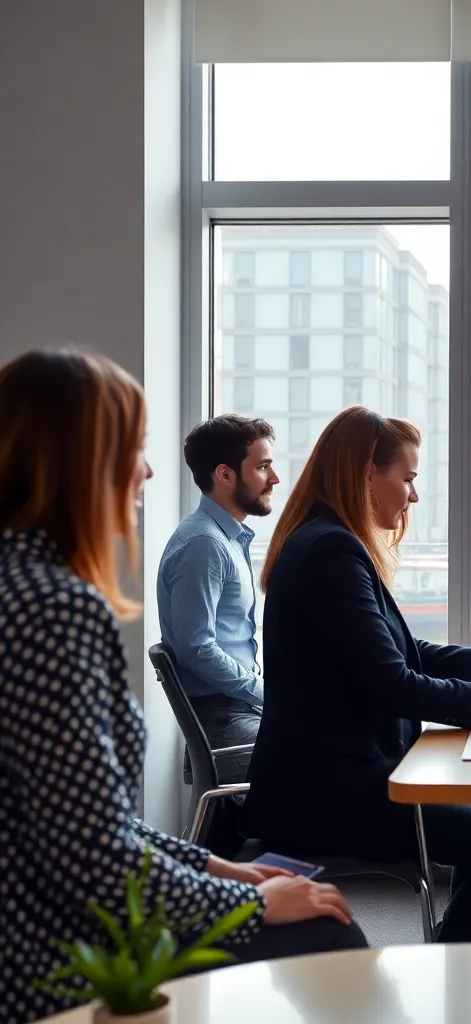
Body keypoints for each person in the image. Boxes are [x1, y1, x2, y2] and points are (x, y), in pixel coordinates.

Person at [0, 351, 365, 1024]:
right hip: (45, 957)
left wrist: (222, 870)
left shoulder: (22, 585)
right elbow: (93, 859)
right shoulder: (54, 609)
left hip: (41, 919)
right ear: (79, 462)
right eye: (133, 449)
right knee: (325, 929)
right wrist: (250, 902)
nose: (146, 471)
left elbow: (91, 824)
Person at [243, 406, 471, 943]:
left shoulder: (328, 540)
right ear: (367, 475)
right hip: (327, 794)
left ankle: (461, 948)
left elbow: (398, 651)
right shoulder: (331, 551)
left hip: (341, 772)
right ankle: (452, 957)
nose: (413, 496)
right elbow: (391, 684)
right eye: (408, 478)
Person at [157, 415, 279, 784]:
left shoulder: (224, 538)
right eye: (262, 467)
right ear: (225, 474)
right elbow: (197, 648)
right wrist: (265, 692)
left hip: (235, 712)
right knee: (335, 764)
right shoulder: (204, 544)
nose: (274, 479)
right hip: (224, 722)